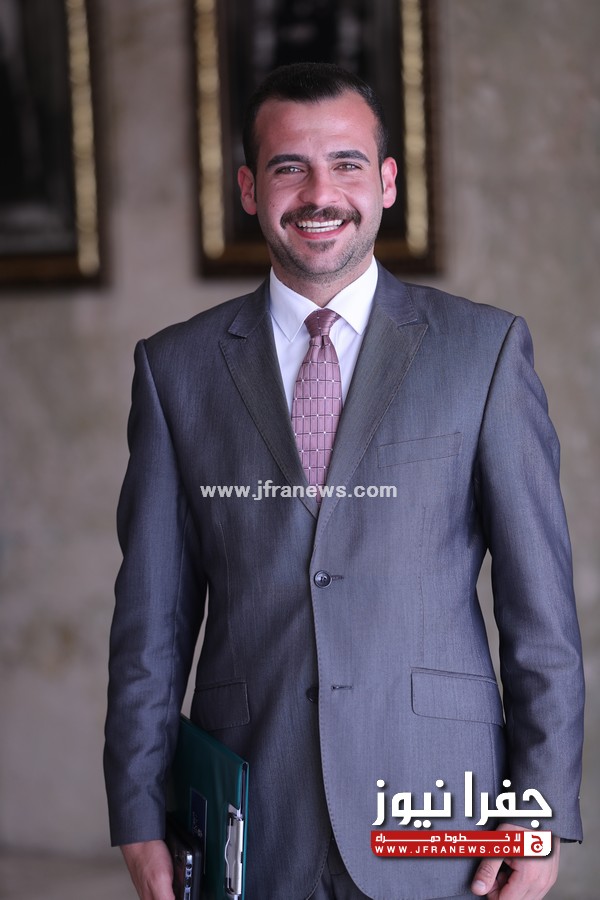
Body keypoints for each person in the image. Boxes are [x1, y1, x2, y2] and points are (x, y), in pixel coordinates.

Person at [104, 62, 584, 900]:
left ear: (387, 182)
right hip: (253, 816)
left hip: (442, 815)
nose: (320, 193)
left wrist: (537, 813)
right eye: (289, 167)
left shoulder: (484, 352)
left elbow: (540, 617)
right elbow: (152, 625)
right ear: (250, 189)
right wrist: (139, 816)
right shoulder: (175, 370)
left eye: (347, 164)